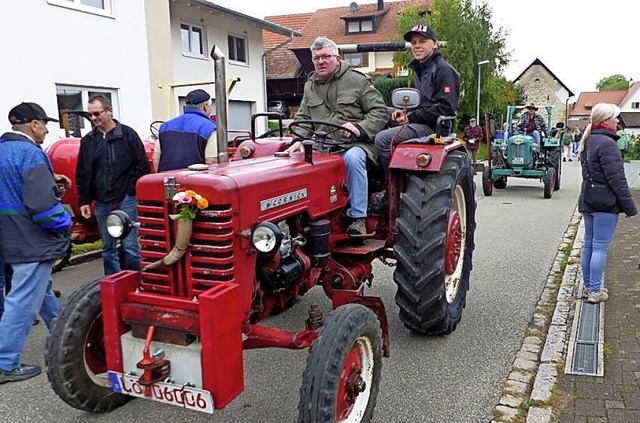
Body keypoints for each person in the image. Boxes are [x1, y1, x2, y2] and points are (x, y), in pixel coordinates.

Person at [0, 102, 72, 383]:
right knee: (22, 300)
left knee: (40, 291)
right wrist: (65, 223)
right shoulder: (30, 154)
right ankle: (5, 362)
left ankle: (64, 334)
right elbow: (42, 205)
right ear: (33, 125)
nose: (46, 129)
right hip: (29, 239)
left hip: (7, 235)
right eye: (44, 124)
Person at [290, 36, 388, 236]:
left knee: (352, 159)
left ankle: (358, 217)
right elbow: (303, 117)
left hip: (356, 144)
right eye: (316, 58)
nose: (321, 61)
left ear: (337, 57)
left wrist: (359, 127)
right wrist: (297, 140)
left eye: (326, 56)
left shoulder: (357, 80)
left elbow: (379, 112)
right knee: (296, 162)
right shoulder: (310, 86)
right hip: (323, 146)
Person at [77, 95, 150, 275]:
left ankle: (136, 281)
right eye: (90, 115)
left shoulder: (128, 135)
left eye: (97, 113)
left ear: (109, 111)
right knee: (108, 247)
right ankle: (113, 284)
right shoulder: (88, 141)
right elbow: (83, 171)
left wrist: (129, 189)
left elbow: (142, 165)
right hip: (102, 201)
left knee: (130, 245)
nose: (93, 118)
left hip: (125, 199)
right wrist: (84, 200)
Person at [374, 24, 460, 175]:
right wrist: (403, 112)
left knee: (382, 140)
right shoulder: (420, 70)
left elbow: (446, 108)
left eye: (422, 41)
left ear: (434, 44)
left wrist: (411, 117)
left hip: (434, 127)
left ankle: (393, 185)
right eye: (414, 42)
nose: (417, 46)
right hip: (419, 120)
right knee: (380, 112)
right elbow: (421, 103)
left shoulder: (443, 70)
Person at [578, 103, 637, 303]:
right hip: (605, 203)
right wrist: (630, 207)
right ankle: (596, 291)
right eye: (615, 118)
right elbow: (617, 180)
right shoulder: (608, 144)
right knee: (600, 247)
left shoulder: (589, 140)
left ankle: (588, 287)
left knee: (589, 245)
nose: (617, 122)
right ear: (605, 121)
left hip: (588, 199)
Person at [153, 89, 218, 172]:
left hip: (168, 180)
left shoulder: (165, 126)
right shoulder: (209, 127)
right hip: (195, 181)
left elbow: (156, 158)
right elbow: (211, 161)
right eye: (210, 105)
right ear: (205, 106)